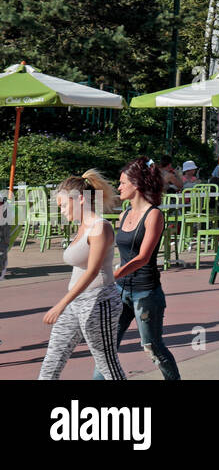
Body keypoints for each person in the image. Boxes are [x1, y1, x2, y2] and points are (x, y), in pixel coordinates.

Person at [94, 158, 180, 380]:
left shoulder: (154, 215)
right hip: (120, 291)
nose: (119, 187)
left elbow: (143, 257)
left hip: (146, 293)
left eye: (123, 183)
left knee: (153, 346)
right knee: (107, 346)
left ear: (137, 183)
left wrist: (113, 275)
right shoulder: (123, 215)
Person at [38, 171, 127, 380]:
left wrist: (60, 304)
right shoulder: (82, 228)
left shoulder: (100, 227)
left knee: (107, 365)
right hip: (76, 302)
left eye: (63, 205)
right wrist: (67, 304)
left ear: (79, 199)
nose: (61, 211)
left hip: (99, 301)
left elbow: (93, 271)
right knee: (53, 358)